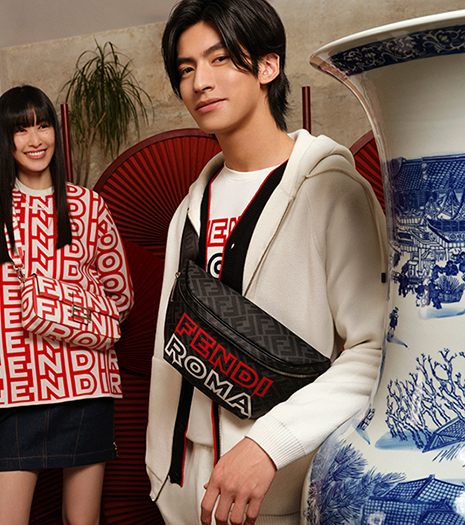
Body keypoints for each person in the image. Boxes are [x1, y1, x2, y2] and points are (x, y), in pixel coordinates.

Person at [145, 1, 388, 524]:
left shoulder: (332, 191)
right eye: (186, 69)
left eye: (219, 59)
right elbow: (170, 351)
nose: (200, 82)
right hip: (185, 488)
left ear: (267, 66)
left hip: (283, 487)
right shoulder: (187, 210)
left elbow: (376, 351)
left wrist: (269, 444)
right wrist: (161, 469)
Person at [0, 85, 134, 525]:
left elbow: (118, 295)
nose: (35, 139)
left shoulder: (88, 206)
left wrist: (75, 328)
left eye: (43, 126)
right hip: (13, 393)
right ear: (4, 139)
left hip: (87, 387)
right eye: (21, 129)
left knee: (82, 521)